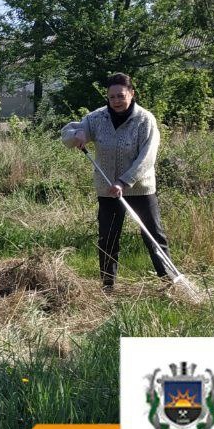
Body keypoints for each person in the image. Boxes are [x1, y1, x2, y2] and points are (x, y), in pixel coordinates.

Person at [61, 73, 172, 292]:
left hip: (140, 189)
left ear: (131, 94)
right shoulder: (96, 118)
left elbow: (147, 158)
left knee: (153, 235)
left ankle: (169, 281)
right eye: (111, 97)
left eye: (120, 96)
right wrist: (78, 134)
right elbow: (65, 135)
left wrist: (124, 181)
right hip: (108, 190)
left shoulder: (145, 120)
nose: (116, 101)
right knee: (108, 238)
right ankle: (108, 285)